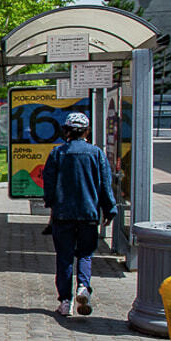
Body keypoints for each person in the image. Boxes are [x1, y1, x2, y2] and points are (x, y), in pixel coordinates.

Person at [42, 112, 117, 317]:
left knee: (64, 257)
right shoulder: (96, 154)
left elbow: (48, 184)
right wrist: (109, 209)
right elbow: (105, 185)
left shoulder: (57, 153)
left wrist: (51, 204)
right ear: (87, 131)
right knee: (85, 254)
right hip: (88, 213)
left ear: (66, 130)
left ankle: (65, 302)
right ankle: (83, 287)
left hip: (63, 214)